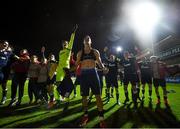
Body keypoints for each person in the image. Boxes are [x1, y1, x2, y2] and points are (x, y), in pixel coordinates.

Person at [76, 35, 107, 128]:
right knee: (84, 97)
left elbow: (100, 63)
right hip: (84, 75)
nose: (86, 40)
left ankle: (101, 119)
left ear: (90, 42)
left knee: (98, 96)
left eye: (88, 39)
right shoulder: (80, 53)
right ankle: (85, 116)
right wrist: (68, 71)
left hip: (93, 73)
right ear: (83, 42)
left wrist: (104, 68)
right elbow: (77, 64)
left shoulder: (95, 52)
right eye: (85, 39)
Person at [55, 25, 78, 109]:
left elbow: (72, 40)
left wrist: (73, 33)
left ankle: (66, 101)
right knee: (58, 85)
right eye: (63, 44)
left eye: (66, 44)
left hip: (66, 70)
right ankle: (60, 98)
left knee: (68, 86)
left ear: (68, 45)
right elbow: (60, 60)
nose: (64, 45)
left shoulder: (69, 50)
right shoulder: (60, 51)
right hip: (59, 70)